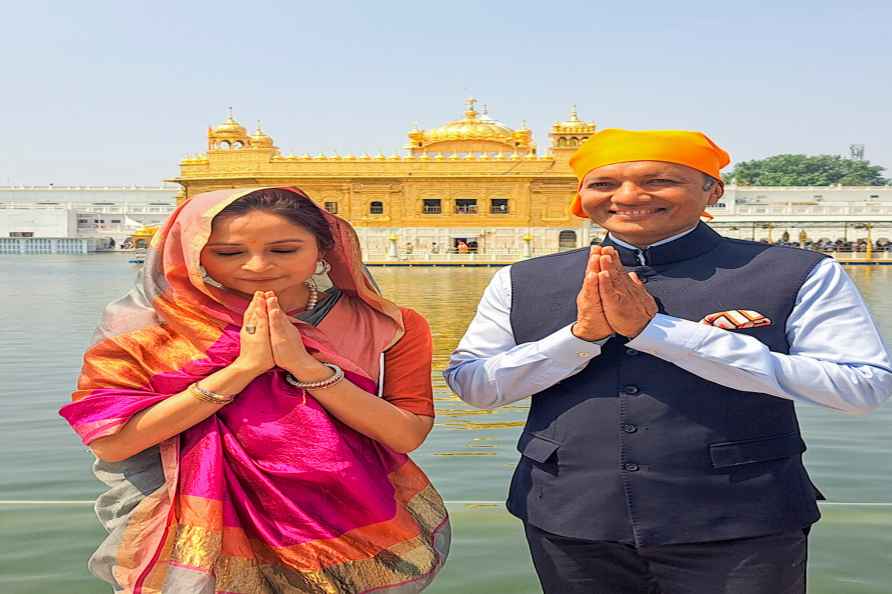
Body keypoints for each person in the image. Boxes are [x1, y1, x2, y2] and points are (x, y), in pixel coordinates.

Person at [444, 129, 892, 594]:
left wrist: (661, 333)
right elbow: (474, 386)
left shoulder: (795, 272)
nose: (630, 196)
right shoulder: (525, 280)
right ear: (580, 197)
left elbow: (858, 387)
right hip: (570, 517)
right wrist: (578, 338)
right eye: (604, 184)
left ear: (712, 190)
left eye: (659, 181)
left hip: (740, 520)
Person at [61, 187, 450, 593]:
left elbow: (405, 433)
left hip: (344, 521)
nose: (258, 266)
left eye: (284, 250)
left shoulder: (389, 325)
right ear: (194, 254)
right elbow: (113, 444)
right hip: (189, 526)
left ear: (323, 249)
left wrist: (305, 367)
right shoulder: (152, 328)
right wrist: (244, 368)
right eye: (228, 253)